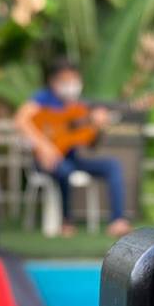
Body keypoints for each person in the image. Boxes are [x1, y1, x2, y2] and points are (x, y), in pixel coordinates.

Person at [15, 58, 132, 238]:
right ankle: (66, 220)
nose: (71, 85)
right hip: (45, 160)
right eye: (66, 80)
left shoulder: (80, 106)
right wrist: (44, 146)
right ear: (54, 81)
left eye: (74, 80)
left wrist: (99, 128)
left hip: (72, 158)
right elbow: (20, 120)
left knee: (112, 165)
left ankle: (118, 221)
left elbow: (90, 144)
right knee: (64, 169)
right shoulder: (43, 98)